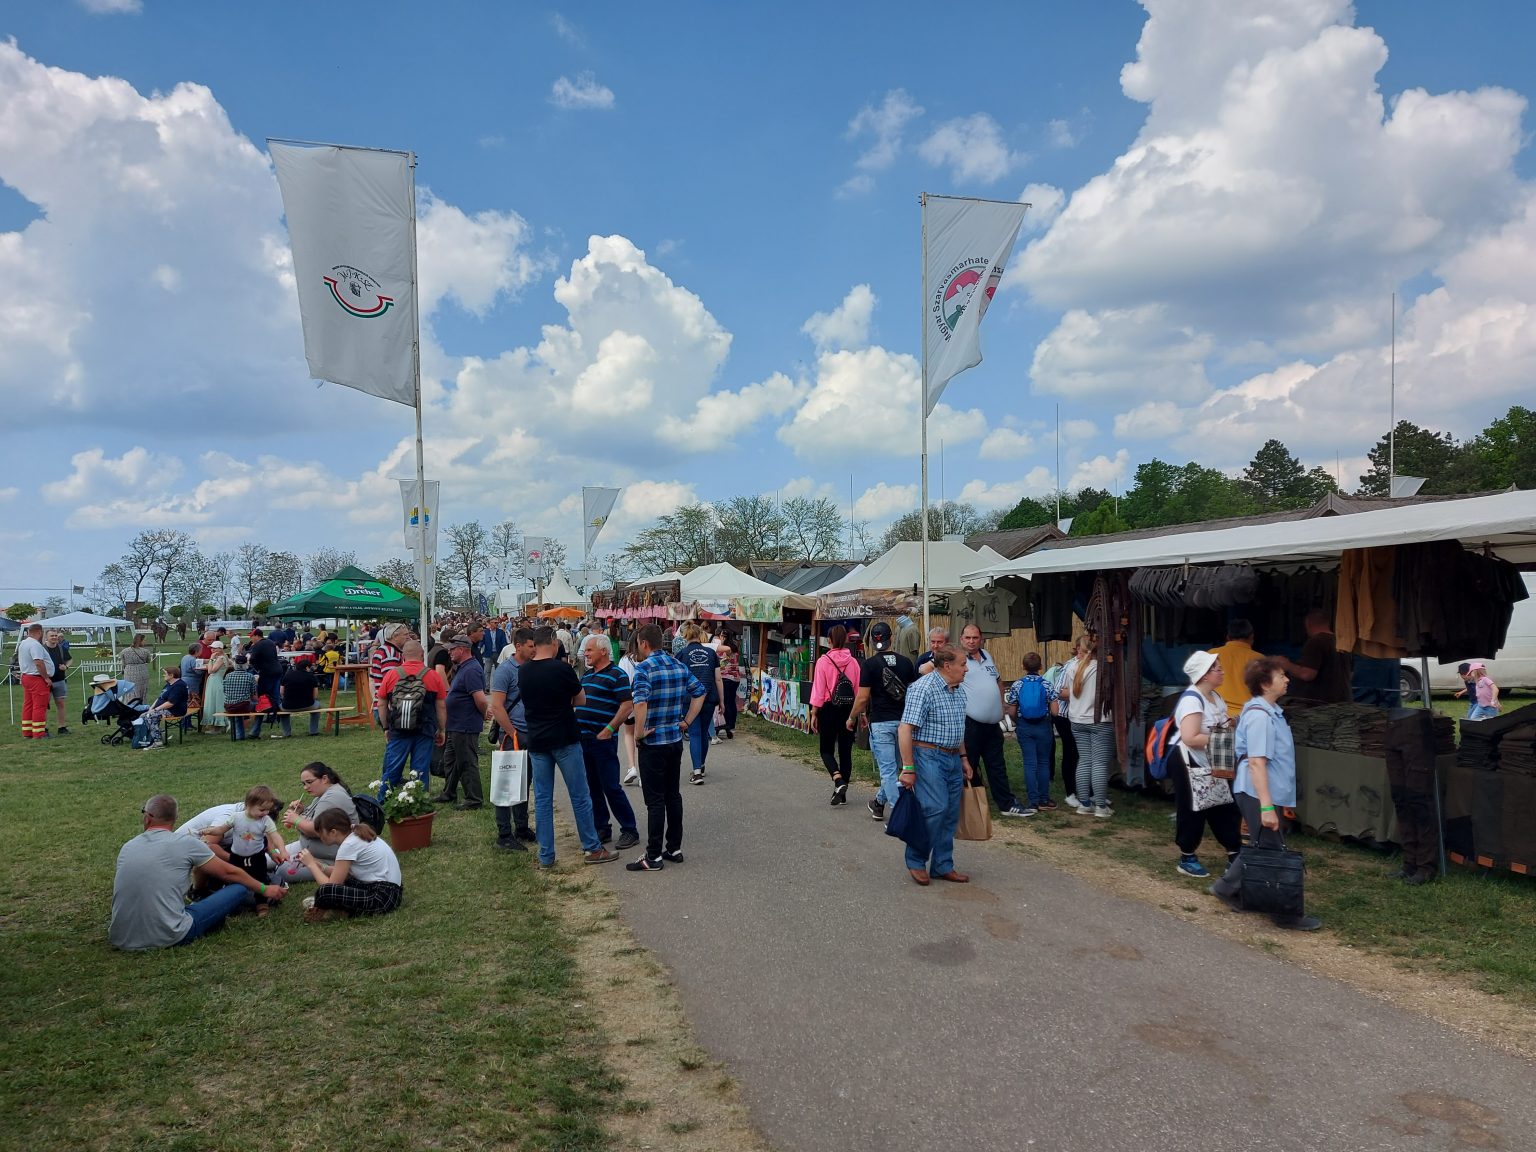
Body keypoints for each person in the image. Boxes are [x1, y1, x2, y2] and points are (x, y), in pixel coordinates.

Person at [1209, 658, 1321, 931]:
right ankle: (1284, 914)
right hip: (1258, 792)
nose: (1287, 679)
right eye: (1281, 675)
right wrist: (1267, 808)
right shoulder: (1260, 716)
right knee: (1271, 848)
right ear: (1264, 683)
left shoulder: (1270, 712)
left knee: (1264, 844)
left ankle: (1227, 888)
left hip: (1262, 791)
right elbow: (1257, 762)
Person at [109, 794, 288, 950]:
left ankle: (198, 895)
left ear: (147, 818)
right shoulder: (188, 843)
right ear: (175, 817)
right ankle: (203, 898)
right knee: (239, 888)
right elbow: (230, 873)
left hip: (120, 937)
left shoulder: (128, 846)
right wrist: (265, 889)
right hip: (172, 934)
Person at [518, 627, 618, 868]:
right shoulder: (562, 669)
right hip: (564, 737)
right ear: (553, 642)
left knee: (542, 798)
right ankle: (592, 848)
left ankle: (546, 855)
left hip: (537, 740)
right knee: (580, 795)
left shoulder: (524, 671)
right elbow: (581, 699)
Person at [625, 624, 706, 872]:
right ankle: (673, 847)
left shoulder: (643, 669)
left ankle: (653, 856)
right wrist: (687, 721)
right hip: (673, 739)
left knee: (655, 801)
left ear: (643, 643)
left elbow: (640, 703)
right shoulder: (678, 666)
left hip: (653, 742)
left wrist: (638, 732)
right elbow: (700, 692)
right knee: (673, 795)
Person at [896, 647, 974, 886]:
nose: (966, 668)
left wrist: (963, 758)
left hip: (951, 758)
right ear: (947, 666)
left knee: (950, 813)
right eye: (962, 664)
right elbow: (905, 728)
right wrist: (908, 768)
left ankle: (942, 865)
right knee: (935, 808)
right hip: (928, 755)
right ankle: (916, 860)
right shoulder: (924, 688)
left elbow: (957, 727)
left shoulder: (958, 691)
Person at [1169, 650, 1243, 879]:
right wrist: (1225, 738)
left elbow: (1218, 725)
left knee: (1225, 803)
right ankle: (1187, 855)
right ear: (1203, 675)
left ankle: (1234, 853)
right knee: (1194, 808)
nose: (1222, 672)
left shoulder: (1215, 697)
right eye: (1217, 669)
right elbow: (1191, 737)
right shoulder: (1192, 699)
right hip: (1188, 761)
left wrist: (1233, 723)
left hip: (1213, 758)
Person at [958, 623, 1030, 818]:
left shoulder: (987, 656)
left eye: (975, 638)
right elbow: (931, 669)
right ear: (961, 639)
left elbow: (997, 680)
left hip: (992, 724)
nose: (971, 641)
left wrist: (1001, 704)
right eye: (968, 638)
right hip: (970, 723)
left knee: (996, 764)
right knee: (968, 764)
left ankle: (1006, 803)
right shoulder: (958, 659)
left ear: (981, 639)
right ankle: (967, 807)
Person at [849, 620, 918, 821]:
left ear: (871, 640)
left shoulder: (869, 665)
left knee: (888, 771)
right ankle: (879, 803)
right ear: (892, 638)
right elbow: (912, 694)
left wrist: (852, 717)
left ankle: (898, 813)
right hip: (904, 723)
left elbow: (862, 699)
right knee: (896, 769)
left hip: (880, 723)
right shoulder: (906, 663)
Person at [578, 635, 640, 850]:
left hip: (603, 740)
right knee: (592, 787)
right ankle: (602, 827)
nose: (585, 654)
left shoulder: (617, 675)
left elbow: (627, 705)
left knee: (611, 787)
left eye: (589, 650)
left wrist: (609, 729)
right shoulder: (586, 675)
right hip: (584, 738)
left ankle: (630, 829)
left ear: (603, 651)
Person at [300, 808, 403, 922]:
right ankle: (337, 909)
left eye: (321, 832)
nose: (319, 836)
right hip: (389, 892)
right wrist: (321, 866)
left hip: (382, 898)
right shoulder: (354, 834)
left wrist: (311, 865)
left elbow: (330, 887)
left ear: (333, 832)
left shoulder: (349, 845)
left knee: (324, 892)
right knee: (346, 881)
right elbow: (343, 875)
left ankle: (333, 910)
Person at [199, 785, 288, 916]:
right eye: (262, 810)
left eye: (267, 810)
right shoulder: (236, 817)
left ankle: (261, 904)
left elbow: (275, 836)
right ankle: (232, 901)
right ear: (248, 805)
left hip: (257, 857)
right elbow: (221, 829)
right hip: (236, 857)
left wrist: (281, 850)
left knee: (260, 878)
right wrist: (210, 830)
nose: (265, 813)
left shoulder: (265, 820)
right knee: (234, 879)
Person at [376, 640, 448, 799]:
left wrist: (386, 727)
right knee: (420, 770)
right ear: (422, 655)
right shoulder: (432, 675)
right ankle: (418, 803)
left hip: (398, 729)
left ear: (403, 656)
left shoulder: (392, 675)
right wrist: (442, 729)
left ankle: (382, 801)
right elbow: (441, 706)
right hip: (425, 730)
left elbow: (381, 703)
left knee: (393, 769)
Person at [489, 627, 538, 850]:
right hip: (512, 735)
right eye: (530, 646)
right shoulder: (505, 671)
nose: (534, 649)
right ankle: (504, 834)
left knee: (523, 782)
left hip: (529, 733)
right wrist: (511, 733)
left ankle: (521, 826)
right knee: (506, 783)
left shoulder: (533, 668)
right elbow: (497, 706)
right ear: (518, 646)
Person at [271, 762, 359, 884]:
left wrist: (296, 819)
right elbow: (311, 820)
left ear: (324, 778)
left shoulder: (333, 796)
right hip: (307, 847)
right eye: (303, 784)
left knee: (282, 870)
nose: (305, 787)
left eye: (309, 782)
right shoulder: (323, 794)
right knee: (270, 856)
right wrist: (300, 812)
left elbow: (316, 829)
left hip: (328, 857)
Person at [1061, 634, 1114, 817]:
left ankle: (1084, 803)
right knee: (1099, 763)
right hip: (1100, 721)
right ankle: (1100, 806)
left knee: (1084, 760)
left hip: (1076, 720)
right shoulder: (1104, 668)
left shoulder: (1072, 667)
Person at [810, 625, 861, 805]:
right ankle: (842, 792)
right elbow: (857, 690)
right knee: (845, 752)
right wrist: (858, 714)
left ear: (829, 640)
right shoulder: (853, 662)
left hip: (829, 708)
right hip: (849, 709)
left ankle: (838, 779)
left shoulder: (823, 661)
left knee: (826, 749)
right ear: (846, 639)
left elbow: (818, 689)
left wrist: (814, 712)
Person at [436, 633, 488, 810]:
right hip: (456, 724)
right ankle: (449, 792)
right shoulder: (463, 667)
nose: (449, 653)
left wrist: (482, 714)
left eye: (452, 649)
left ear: (462, 649)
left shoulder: (471, 669)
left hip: (465, 724)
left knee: (466, 762)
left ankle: (474, 799)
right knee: (451, 760)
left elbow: (481, 699)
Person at [1004, 652, 1053, 814]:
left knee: (1030, 763)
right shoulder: (1046, 684)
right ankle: (1044, 799)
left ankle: (1033, 802)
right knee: (1044, 762)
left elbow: (1011, 710)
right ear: (1040, 667)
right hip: (1043, 726)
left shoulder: (1017, 685)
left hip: (1025, 726)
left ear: (1023, 667)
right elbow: (1056, 710)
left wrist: (1019, 722)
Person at [677, 623, 723, 784]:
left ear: (685, 637)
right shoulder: (711, 653)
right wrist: (722, 701)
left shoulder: (681, 654)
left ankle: (696, 773)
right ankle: (701, 765)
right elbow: (718, 678)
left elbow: (678, 680)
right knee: (704, 733)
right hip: (709, 696)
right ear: (700, 635)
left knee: (695, 733)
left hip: (690, 699)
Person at [1276, 609, 1352, 703]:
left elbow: (1307, 674)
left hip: (1320, 704)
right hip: (1344, 700)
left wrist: (1287, 665)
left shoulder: (1316, 642)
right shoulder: (1342, 642)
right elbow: (1351, 673)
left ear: (1308, 624)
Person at [1209, 619, 1266, 720]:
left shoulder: (1212, 654)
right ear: (1251, 637)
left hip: (1217, 717)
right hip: (1249, 717)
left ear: (1228, 637)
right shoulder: (1260, 659)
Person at [18, 623, 54, 740]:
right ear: (39, 632)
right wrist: (46, 678)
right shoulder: (35, 645)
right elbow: (38, 662)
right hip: (36, 678)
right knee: (39, 706)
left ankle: (27, 731)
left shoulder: (23, 643)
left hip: (26, 676)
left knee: (28, 705)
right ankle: (39, 733)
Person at [368, 622, 408, 726]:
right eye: (405, 635)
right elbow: (391, 682)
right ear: (395, 636)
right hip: (389, 706)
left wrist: (375, 699)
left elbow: (371, 679)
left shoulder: (380, 650)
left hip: (380, 704)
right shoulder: (391, 654)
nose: (408, 638)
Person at [141, 665, 190, 749]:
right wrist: (151, 708)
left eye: (165, 674)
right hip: (166, 709)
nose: (164, 675)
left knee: (150, 716)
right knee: (144, 714)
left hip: (175, 711)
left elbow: (171, 703)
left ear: (171, 675)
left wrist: (155, 710)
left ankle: (158, 742)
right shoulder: (170, 684)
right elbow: (160, 697)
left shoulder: (178, 686)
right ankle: (156, 735)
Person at [276, 656, 322, 738]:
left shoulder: (287, 675)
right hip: (308, 705)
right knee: (318, 706)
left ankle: (287, 733)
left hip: (287, 706)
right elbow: (315, 695)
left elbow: (281, 692)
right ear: (307, 667)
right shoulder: (311, 676)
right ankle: (313, 731)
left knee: (281, 710)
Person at [245, 627, 283, 729]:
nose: (251, 639)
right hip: (277, 669)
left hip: (267, 672)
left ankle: (264, 714)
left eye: (251, 636)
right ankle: (277, 715)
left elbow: (252, 659)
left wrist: (256, 668)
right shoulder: (270, 642)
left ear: (257, 636)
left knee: (263, 695)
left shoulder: (258, 645)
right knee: (275, 694)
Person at [618, 634, 643, 786]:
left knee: (629, 732)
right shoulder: (648, 658)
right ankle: (643, 771)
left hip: (630, 700)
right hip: (646, 701)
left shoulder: (625, 660)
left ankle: (632, 767)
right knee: (642, 735)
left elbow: (622, 681)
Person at [221, 654, 257, 741]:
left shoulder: (228, 676)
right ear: (246, 664)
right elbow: (253, 695)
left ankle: (239, 735)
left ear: (235, 664)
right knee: (259, 708)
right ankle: (254, 731)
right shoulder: (250, 676)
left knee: (237, 712)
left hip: (229, 706)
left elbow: (225, 691)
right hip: (243, 706)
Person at [43, 628, 71, 735]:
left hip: (60, 680)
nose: (54, 637)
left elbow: (69, 659)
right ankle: (43, 728)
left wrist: (66, 666)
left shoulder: (61, 648)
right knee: (44, 706)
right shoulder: (42, 649)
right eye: (52, 636)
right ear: (46, 637)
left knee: (61, 704)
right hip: (46, 681)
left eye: (55, 635)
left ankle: (62, 727)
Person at [717, 633, 742, 740]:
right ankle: (732, 725)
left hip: (726, 677)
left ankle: (727, 724)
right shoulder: (735, 648)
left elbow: (721, 664)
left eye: (721, 637)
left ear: (724, 637)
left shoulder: (725, 650)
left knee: (726, 702)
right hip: (736, 678)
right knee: (732, 701)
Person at [203, 641, 229, 729]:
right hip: (214, 680)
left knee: (215, 702)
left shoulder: (221, 658)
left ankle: (218, 723)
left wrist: (211, 659)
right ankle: (214, 723)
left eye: (214, 648)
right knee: (213, 701)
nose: (212, 650)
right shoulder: (222, 657)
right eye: (211, 648)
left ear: (220, 649)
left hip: (216, 680)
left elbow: (211, 670)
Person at [121, 632, 152, 703]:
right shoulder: (145, 652)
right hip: (142, 671)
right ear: (140, 641)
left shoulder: (124, 651)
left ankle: (128, 703)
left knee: (129, 690)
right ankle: (141, 704)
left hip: (129, 671)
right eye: (144, 640)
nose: (145, 642)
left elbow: (123, 663)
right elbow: (148, 660)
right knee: (141, 690)